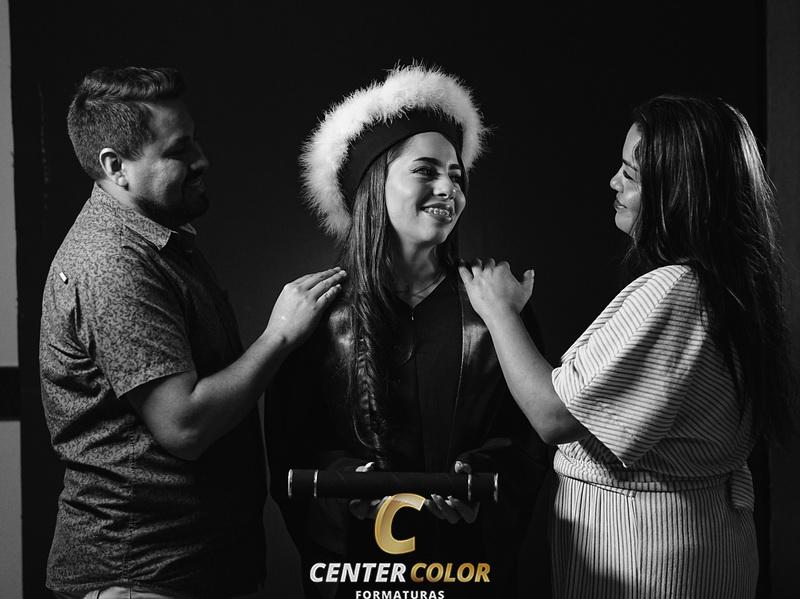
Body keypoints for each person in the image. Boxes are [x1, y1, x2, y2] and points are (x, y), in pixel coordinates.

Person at [459, 95, 793, 598]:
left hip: (648, 559)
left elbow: (553, 416)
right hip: (700, 546)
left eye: (631, 174)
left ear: (677, 191)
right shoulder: (728, 287)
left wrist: (499, 310)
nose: (614, 183)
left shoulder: (676, 290)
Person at [39, 66, 346, 599]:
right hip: (141, 580)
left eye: (195, 140)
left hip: (191, 573)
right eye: (178, 150)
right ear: (116, 167)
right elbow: (183, 426)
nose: (202, 160)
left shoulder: (156, 240)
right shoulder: (114, 263)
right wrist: (280, 335)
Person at [266, 65, 549, 599]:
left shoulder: (493, 307)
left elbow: (527, 442)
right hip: (362, 576)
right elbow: (291, 447)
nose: (449, 188)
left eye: (457, 176)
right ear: (375, 184)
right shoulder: (320, 314)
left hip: (466, 575)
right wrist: (346, 483)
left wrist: (478, 479)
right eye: (426, 170)